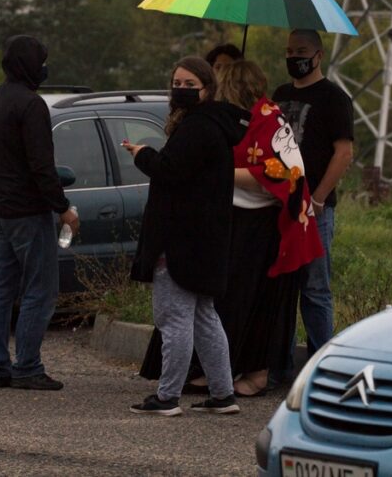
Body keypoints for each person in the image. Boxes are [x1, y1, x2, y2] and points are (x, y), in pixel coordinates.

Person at [124, 56, 249, 416]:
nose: (180, 90)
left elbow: (170, 170)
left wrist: (143, 154)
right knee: (204, 316)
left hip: (180, 239)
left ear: (207, 88)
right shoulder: (216, 125)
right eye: (176, 83)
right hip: (206, 238)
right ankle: (223, 394)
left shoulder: (198, 127)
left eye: (189, 85)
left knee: (174, 317)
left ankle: (167, 397)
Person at [215, 60, 324, 396]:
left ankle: (258, 373)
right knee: (232, 300)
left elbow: (282, 173)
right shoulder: (242, 119)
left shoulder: (271, 121)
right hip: (239, 220)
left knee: (258, 303)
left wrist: (219, 171)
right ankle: (223, 367)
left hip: (266, 227)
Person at [0, 35, 79, 391]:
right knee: (40, 289)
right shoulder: (31, 105)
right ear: (30, 64)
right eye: (42, 61)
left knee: (0, 289)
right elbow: (41, 166)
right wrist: (63, 208)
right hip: (28, 211)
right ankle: (28, 366)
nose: (44, 68)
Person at [271, 29, 354, 383]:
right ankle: (279, 367)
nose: (294, 58)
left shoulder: (335, 98)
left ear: (319, 55)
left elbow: (344, 153)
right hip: (279, 207)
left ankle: (323, 371)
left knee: (315, 290)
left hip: (314, 211)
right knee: (280, 291)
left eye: (301, 51)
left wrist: (318, 198)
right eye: (289, 51)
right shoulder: (280, 95)